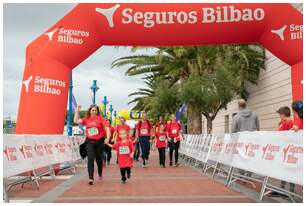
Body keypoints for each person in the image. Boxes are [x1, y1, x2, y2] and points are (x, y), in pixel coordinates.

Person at [74, 104, 110, 185]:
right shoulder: (86, 119)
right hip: (89, 142)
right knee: (90, 159)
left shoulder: (100, 119)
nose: (94, 112)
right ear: (90, 111)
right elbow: (75, 121)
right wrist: (77, 110)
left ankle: (100, 173)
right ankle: (91, 178)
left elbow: (107, 128)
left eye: (95, 110)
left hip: (99, 142)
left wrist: (107, 137)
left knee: (99, 160)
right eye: (92, 110)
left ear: (97, 111)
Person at [269, 106, 295, 197]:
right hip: (283, 150)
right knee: (283, 170)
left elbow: (286, 136)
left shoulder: (289, 123)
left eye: (280, 115)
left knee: (289, 170)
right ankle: (282, 189)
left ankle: (291, 191)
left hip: (287, 150)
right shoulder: (283, 123)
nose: (279, 116)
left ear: (283, 115)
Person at [231, 99, 259, 178]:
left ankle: (242, 174)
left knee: (241, 157)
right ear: (246, 105)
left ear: (238, 106)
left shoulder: (236, 117)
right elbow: (258, 128)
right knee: (250, 157)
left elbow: (233, 130)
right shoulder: (254, 115)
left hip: (241, 141)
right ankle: (249, 175)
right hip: (252, 140)